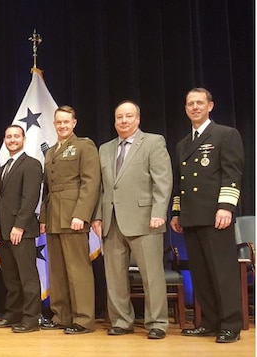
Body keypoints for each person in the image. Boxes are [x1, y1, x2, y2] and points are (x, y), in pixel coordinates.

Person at [91, 101, 172, 340]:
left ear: (138, 119)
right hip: (112, 221)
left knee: (152, 275)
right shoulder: (105, 148)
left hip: (146, 219)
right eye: (119, 117)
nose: (123, 121)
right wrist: (97, 216)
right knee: (114, 276)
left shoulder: (153, 142)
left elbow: (163, 180)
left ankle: (157, 322)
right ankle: (121, 321)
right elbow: (102, 187)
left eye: (128, 116)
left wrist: (159, 211)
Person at [170, 88, 244, 343]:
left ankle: (230, 324)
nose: (195, 107)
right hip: (191, 217)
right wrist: (177, 212)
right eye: (190, 103)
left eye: (200, 103)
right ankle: (210, 322)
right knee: (200, 274)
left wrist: (226, 207)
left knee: (222, 273)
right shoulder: (183, 144)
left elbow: (232, 174)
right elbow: (180, 184)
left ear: (210, 106)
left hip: (216, 215)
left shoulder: (225, 134)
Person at [39, 105, 100, 334]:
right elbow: (48, 189)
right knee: (58, 271)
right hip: (54, 217)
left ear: (74, 123)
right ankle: (61, 316)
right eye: (59, 122)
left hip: (73, 216)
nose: (62, 126)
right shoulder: (51, 151)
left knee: (78, 270)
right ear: (54, 124)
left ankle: (83, 319)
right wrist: (44, 217)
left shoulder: (84, 146)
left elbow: (90, 183)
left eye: (66, 122)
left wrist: (81, 215)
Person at [0, 124, 43, 333]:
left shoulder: (31, 164)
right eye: (8, 137)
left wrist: (19, 226)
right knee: (10, 277)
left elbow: (30, 198)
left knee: (27, 276)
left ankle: (31, 318)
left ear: (23, 139)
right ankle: (13, 314)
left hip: (22, 231)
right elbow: (0, 201)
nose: (12, 140)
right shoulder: (3, 168)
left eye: (16, 136)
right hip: (3, 231)